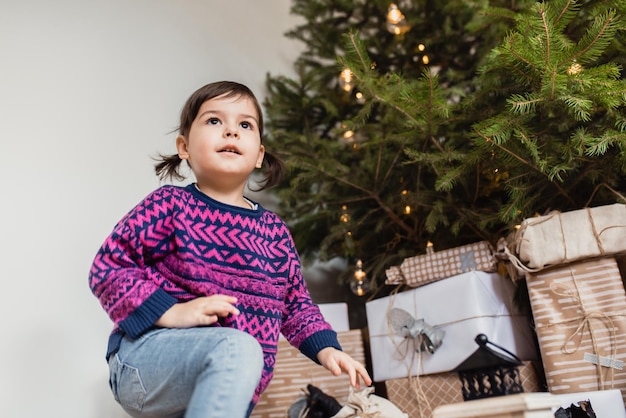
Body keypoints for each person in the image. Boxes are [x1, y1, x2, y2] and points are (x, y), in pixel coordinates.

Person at [88, 81, 372, 418]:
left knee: (238, 353)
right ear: (184, 147)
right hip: (144, 360)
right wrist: (173, 313)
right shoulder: (170, 205)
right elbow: (109, 267)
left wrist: (327, 349)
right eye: (213, 121)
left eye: (245, 125)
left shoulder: (274, 232)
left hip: (225, 376)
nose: (231, 132)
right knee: (237, 346)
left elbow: (295, 306)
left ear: (259, 156)